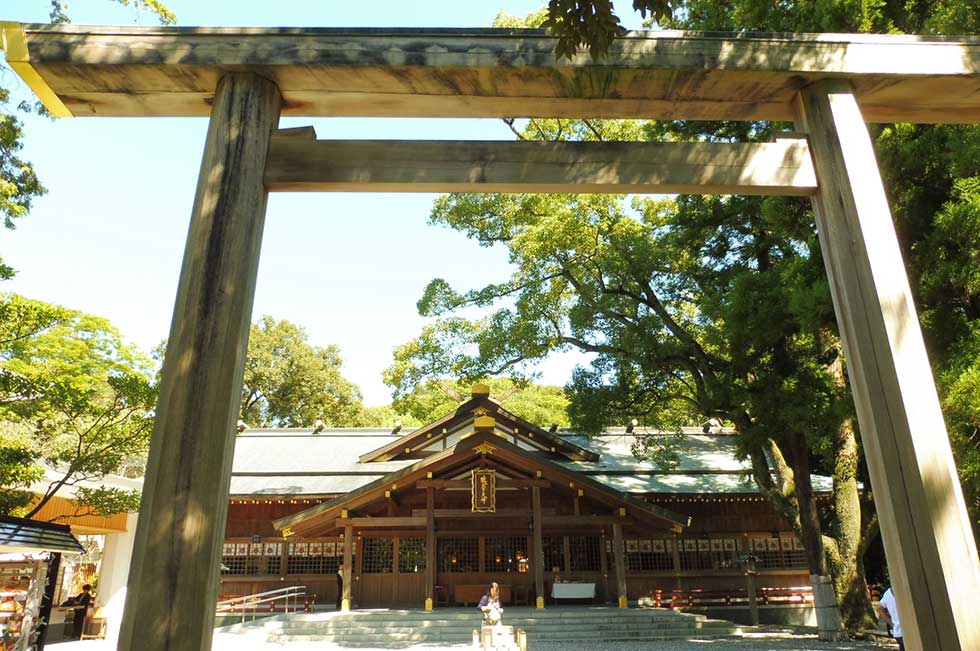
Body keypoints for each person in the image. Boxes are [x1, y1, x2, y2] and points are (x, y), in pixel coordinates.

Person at [877, 586, 904, 651]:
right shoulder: (904, 590)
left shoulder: (887, 593)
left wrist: (891, 623)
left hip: (898, 631)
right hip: (906, 630)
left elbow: (879, 608)